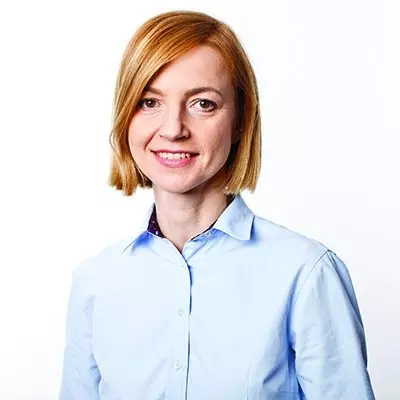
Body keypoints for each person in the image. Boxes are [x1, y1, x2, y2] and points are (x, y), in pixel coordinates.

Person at [59, 10, 375, 400]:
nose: (173, 129)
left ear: (241, 118)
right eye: (149, 102)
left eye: (203, 104)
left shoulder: (306, 274)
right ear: (126, 116)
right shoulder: (95, 282)